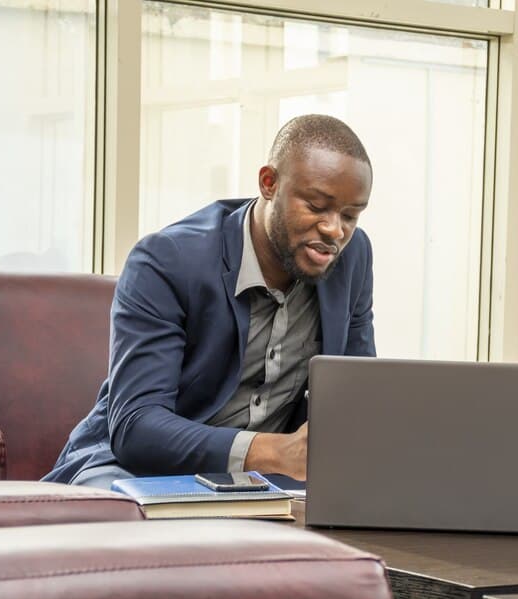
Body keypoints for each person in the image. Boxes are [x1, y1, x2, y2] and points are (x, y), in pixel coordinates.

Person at [44, 114, 374, 489]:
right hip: (132, 469)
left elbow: (356, 398)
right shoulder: (166, 260)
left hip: (266, 484)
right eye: (316, 206)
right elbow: (137, 427)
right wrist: (275, 452)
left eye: (350, 215)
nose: (335, 229)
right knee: (129, 521)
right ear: (269, 183)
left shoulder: (351, 257)